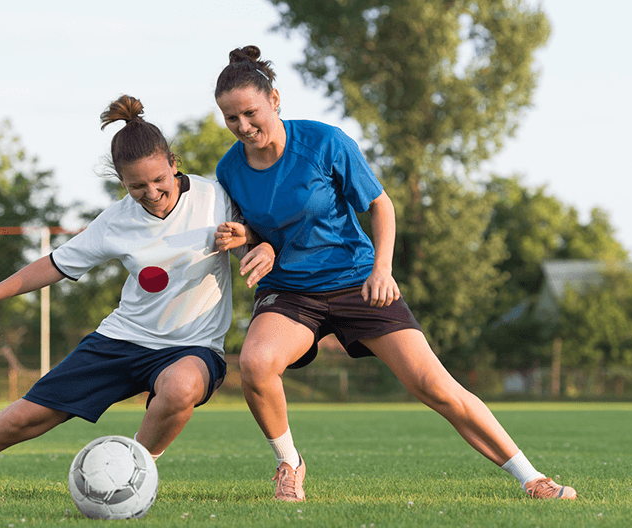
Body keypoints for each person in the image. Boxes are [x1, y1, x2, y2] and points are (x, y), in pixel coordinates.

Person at [212, 46, 577, 503]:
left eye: (250, 113)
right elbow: (253, 225)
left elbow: (380, 205)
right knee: (255, 364)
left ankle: (532, 478)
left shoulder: (325, 143)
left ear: (275, 100)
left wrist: (382, 269)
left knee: (434, 386)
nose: (243, 127)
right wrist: (249, 237)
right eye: (231, 119)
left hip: (356, 281)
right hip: (290, 292)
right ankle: (290, 465)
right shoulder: (229, 169)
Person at [0, 94, 274, 500]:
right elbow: (52, 265)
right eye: (137, 186)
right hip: (122, 340)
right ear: (121, 182)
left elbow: (261, 237)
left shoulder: (216, 197)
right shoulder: (115, 221)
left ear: (173, 163)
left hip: (192, 346)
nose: (151, 192)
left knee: (180, 388)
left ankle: (132, 476)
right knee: (23, 418)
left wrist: (252, 241)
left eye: (158, 180)